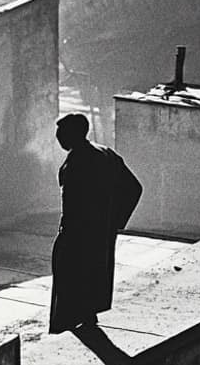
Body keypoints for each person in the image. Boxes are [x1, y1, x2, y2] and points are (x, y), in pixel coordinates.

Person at [48, 113, 143, 334]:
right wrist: (113, 222)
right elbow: (134, 188)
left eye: (61, 134)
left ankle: (64, 330)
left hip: (76, 234)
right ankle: (86, 317)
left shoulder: (76, 163)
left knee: (69, 283)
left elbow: (73, 206)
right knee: (91, 277)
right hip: (99, 232)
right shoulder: (106, 154)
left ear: (72, 135)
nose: (58, 138)